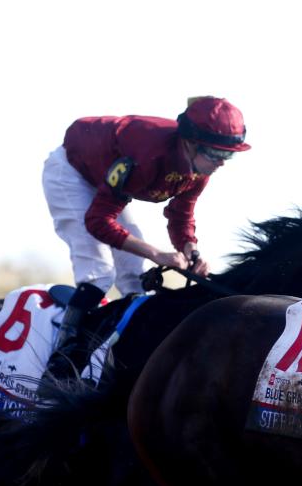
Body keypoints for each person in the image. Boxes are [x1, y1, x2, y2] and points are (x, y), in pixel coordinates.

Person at [41, 96, 251, 352]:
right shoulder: (148, 155)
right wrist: (156, 254)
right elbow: (97, 221)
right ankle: (62, 356)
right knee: (99, 272)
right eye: (216, 153)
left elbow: (181, 215)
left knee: (135, 278)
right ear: (190, 142)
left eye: (228, 155)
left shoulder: (199, 170)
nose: (220, 162)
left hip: (103, 186)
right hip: (71, 174)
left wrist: (190, 250)